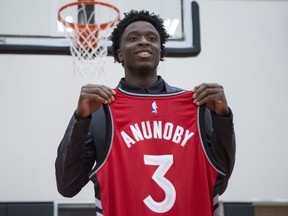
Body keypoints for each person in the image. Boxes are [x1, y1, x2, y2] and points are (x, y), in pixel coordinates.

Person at [55, 10, 236, 216]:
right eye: (133, 38)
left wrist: (223, 118)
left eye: (152, 38)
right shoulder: (100, 111)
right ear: (119, 53)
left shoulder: (197, 106)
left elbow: (219, 183)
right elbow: (67, 186)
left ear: (161, 51)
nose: (143, 42)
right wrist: (80, 119)